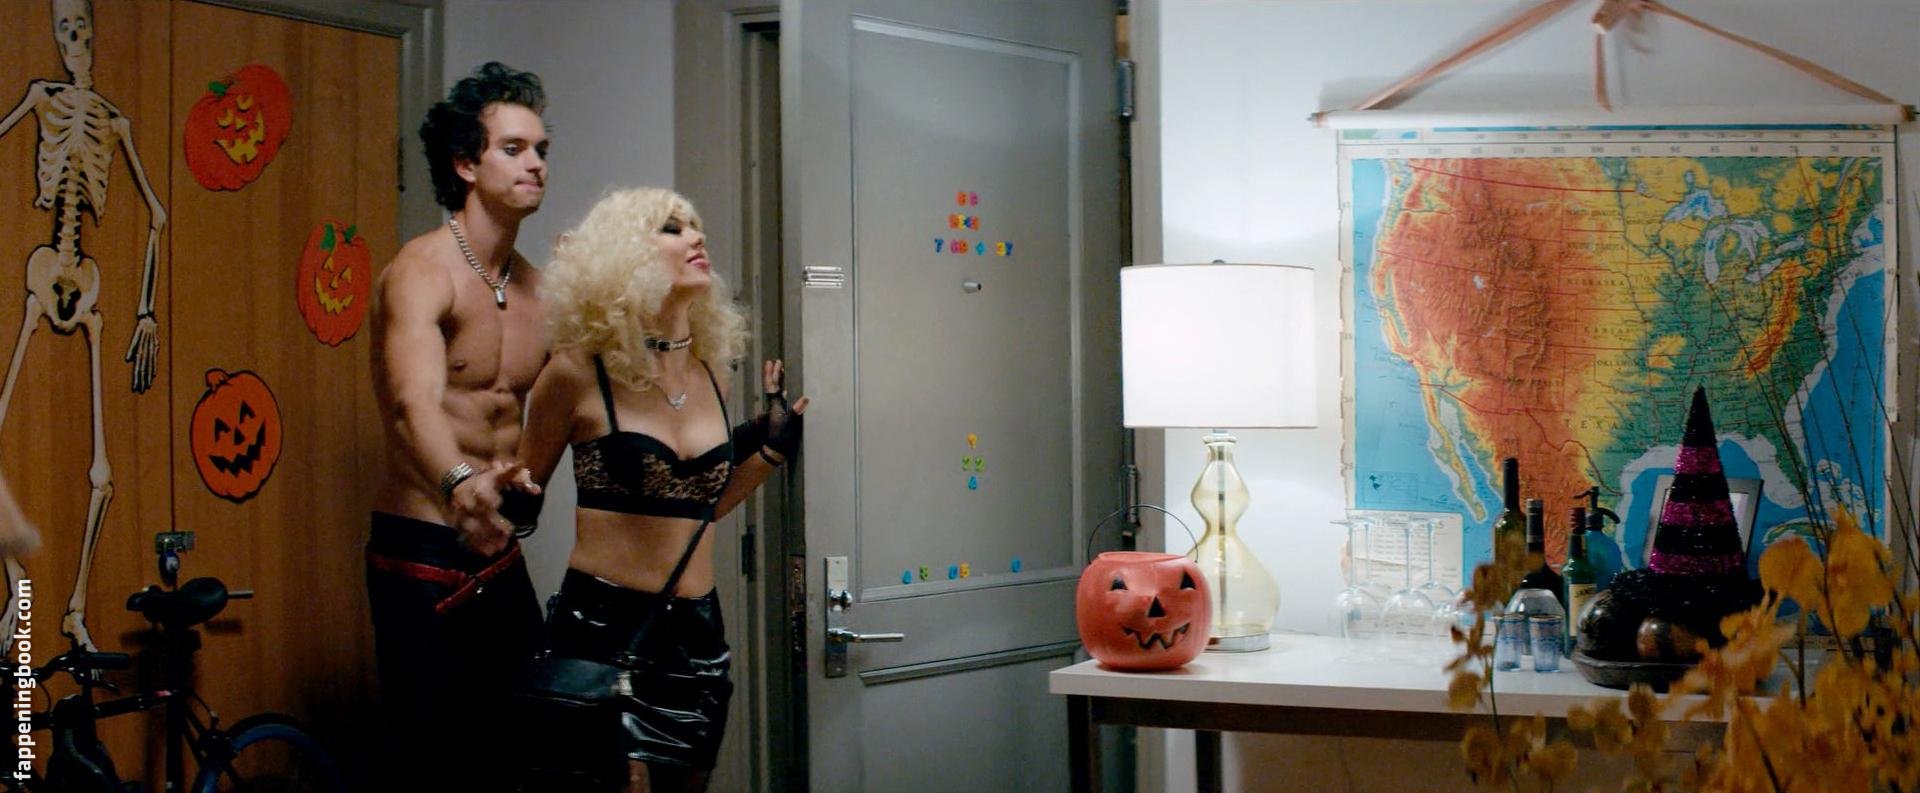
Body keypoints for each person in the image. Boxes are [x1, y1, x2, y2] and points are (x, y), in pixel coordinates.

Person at [513, 188, 805, 792]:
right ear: (623, 255)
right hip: (602, 632)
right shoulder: (576, 372)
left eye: (695, 227)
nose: (696, 237)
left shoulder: (712, 373)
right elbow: (521, 500)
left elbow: (701, 510)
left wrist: (770, 451)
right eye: (672, 229)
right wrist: (491, 486)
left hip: (697, 639)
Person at [364, 61, 550, 792]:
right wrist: (460, 482)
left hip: (499, 546)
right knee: (438, 761)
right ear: (466, 164)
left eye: (541, 149)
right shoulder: (422, 272)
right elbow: (413, 402)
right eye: (514, 148)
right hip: (423, 540)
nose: (535, 163)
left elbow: (569, 406)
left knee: (527, 749)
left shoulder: (538, 291)